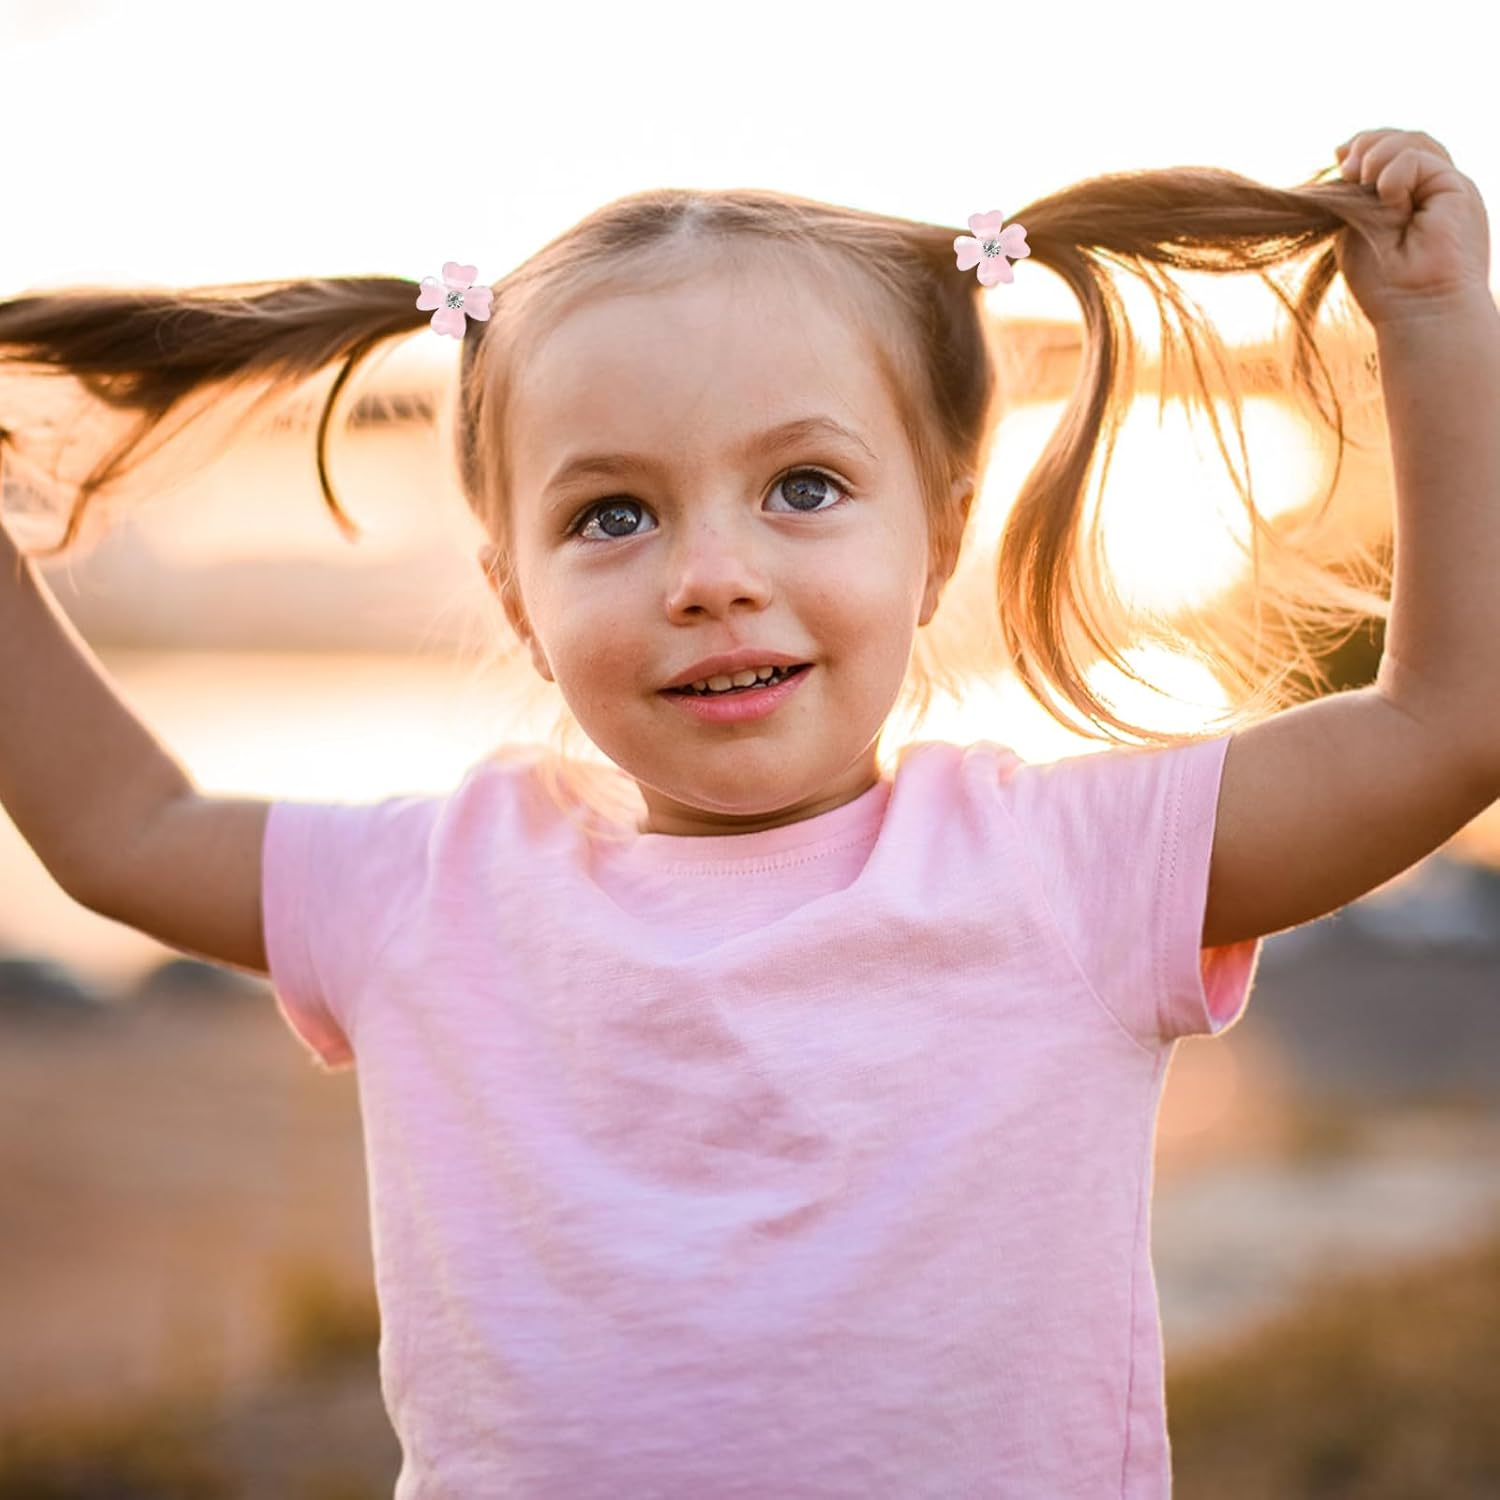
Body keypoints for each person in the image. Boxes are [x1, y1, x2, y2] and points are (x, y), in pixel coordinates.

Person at [1, 130, 1495, 1496]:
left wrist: (1433, 331)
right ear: (516, 595)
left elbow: (1450, 726)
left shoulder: (1070, 872)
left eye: (802, 485)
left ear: (941, 531)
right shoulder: (431, 888)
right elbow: (118, 825)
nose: (708, 573)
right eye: (612, 515)